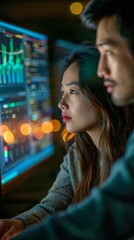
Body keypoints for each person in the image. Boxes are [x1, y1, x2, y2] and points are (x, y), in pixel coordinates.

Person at [10, 0, 134, 237]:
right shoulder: (80, 153)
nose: (61, 104)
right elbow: (50, 206)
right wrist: (20, 223)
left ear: (101, 93)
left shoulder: (128, 151)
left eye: (74, 91)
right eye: (62, 93)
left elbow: (103, 215)